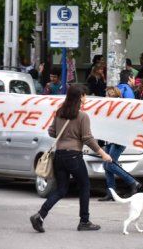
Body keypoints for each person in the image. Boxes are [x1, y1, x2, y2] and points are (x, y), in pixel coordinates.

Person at [30, 85, 113, 232]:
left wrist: (65, 134)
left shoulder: (60, 112)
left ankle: (40, 215)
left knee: (61, 189)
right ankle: (84, 221)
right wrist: (103, 153)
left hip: (59, 155)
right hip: (73, 156)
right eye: (85, 95)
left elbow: (52, 132)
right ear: (80, 97)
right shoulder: (82, 116)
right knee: (85, 186)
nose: (86, 98)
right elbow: (87, 138)